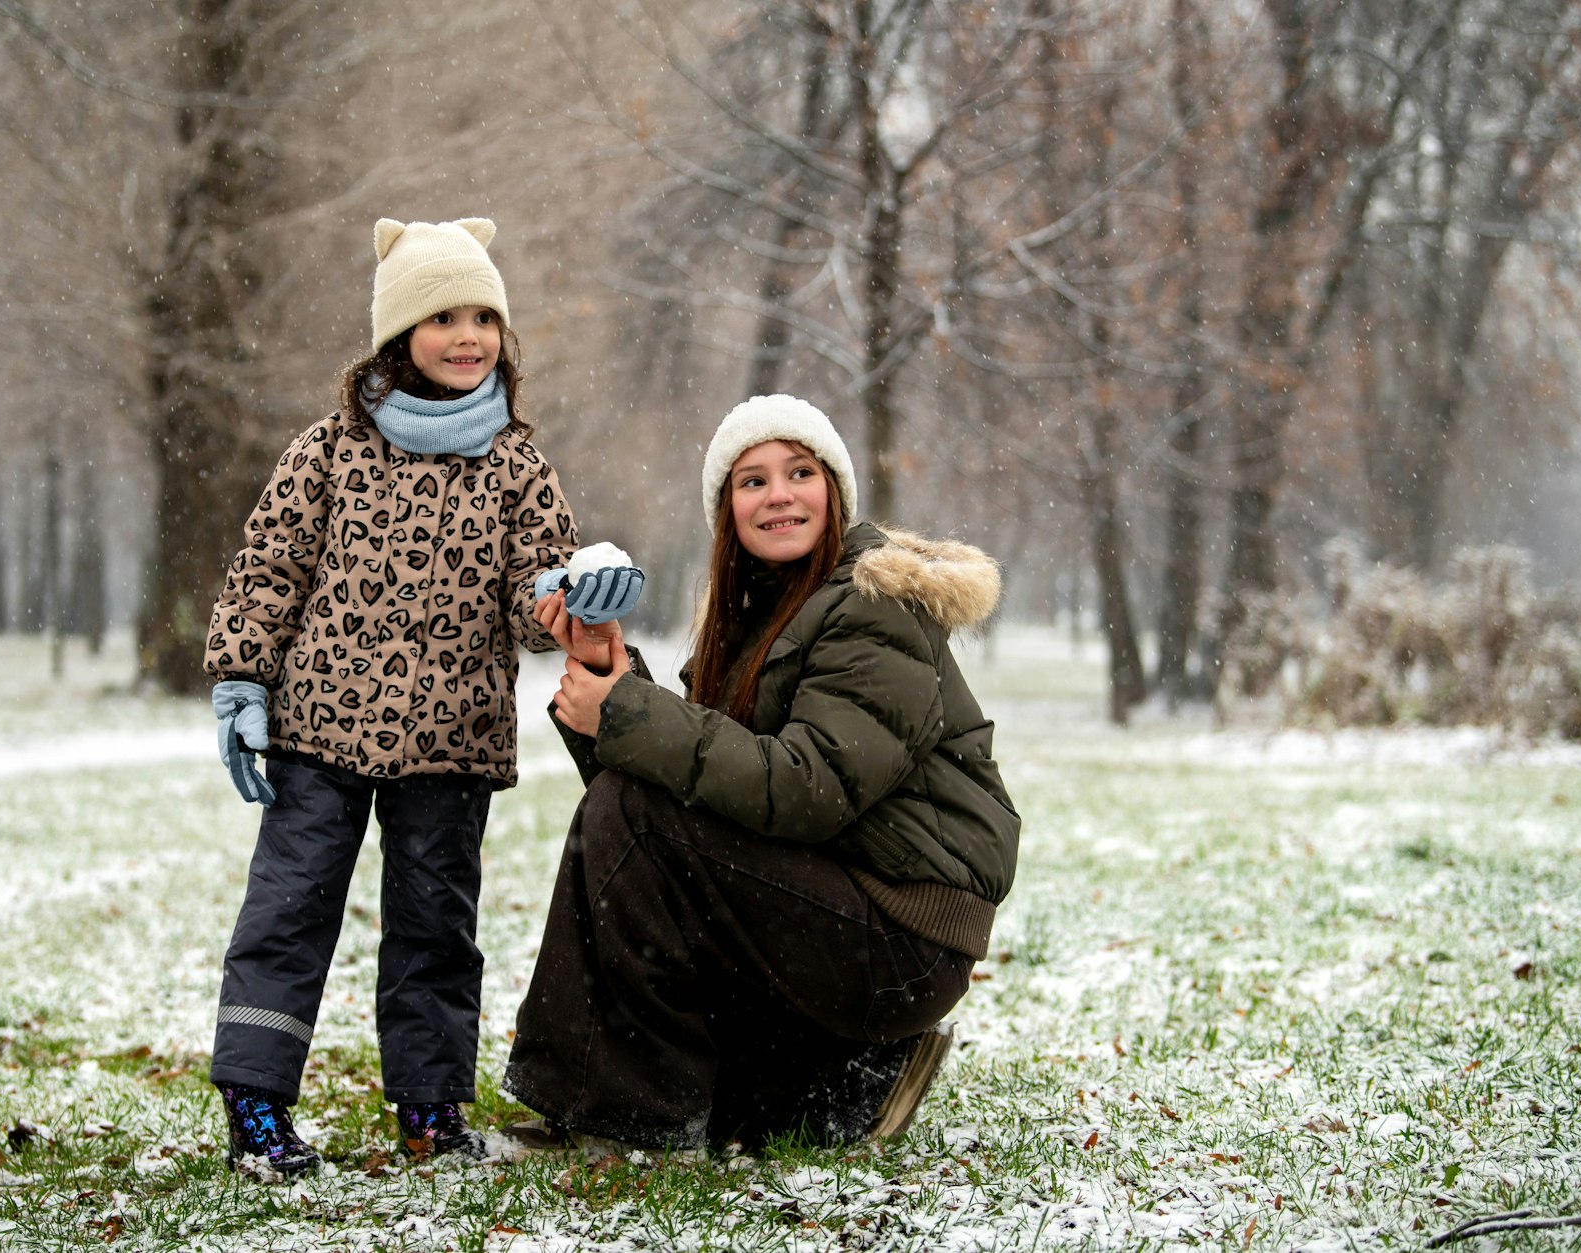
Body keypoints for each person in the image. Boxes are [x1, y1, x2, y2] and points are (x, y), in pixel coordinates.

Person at [201, 216, 642, 1178]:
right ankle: (258, 1106)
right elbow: (269, 568)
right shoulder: (330, 450)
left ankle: (431, 1111)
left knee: (437, 928)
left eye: (484, 314)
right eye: (443, 313)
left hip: (453, 739)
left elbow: (535, 592)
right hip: (318, 727)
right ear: (398, 332)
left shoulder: (516, 462)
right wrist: (243, 676)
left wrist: (573, 597)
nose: (468, 333)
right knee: (288, 911)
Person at [503, 393, 1019, 1153]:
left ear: (833, 492)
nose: (778, 494)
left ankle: (633, 1116)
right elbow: (702, 792)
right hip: (837, 902)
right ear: (728, 512)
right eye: (752, 481)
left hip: (902, 932)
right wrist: (607, 667)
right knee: (633, 815)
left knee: (632, 813)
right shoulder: (761, 616)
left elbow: (807, 787)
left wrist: (626, 713)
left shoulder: (875, 605)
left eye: (799, 471)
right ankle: (843, 1078)